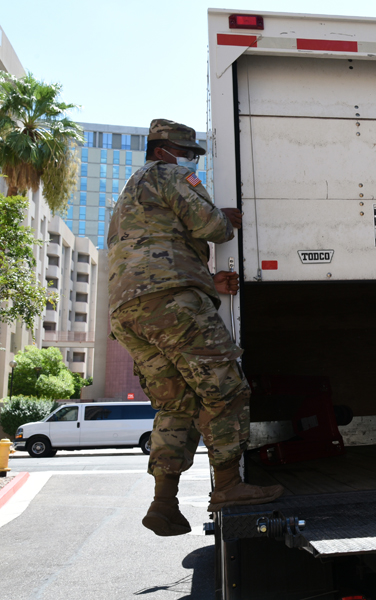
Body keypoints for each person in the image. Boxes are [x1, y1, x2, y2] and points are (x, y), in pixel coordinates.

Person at [108, 119, 283, 537]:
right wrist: (223, 217)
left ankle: (164, 503)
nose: (191, 161)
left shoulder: (130, 192)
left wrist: (205, 283)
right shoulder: (169, 174)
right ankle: (227, 486)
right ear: (166, 150)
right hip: (170, 302)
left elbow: (152, 255)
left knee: (176, 405)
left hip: (129, 311)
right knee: (226, 389)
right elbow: (212, 227)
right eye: (188, 153)